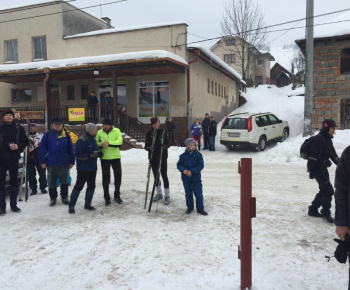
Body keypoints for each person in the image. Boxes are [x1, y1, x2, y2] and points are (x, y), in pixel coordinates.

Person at [307, 119, 339, 223]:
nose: (334, 130)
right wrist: (311, 171)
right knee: (329, 190)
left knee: (324, 189)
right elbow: (312, 156)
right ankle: (326, 212)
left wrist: (342, 165)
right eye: (332, 128)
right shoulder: (319, 139)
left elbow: (333, 155)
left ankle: (313, 209)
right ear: (326, 127)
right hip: (317, 169)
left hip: (323, 169)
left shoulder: (328, 139)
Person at [39, 118, 75, 207]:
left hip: (64, 162)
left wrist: (72, 161)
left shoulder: (66, 135)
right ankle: (53, 198)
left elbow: (71, 149)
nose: (57, 125)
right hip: (51, 162)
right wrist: (42, 161)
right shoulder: (47, 135)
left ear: (62, 125)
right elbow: (42, 149)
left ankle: (64, 197)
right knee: (51, 182)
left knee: (64, 181)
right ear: (52, 125)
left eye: (59, 124)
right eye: (56, 124)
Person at [0, 109, 29, 216]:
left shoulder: (18, 128)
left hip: (13, 159)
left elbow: (25, 141)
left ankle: (13, 205)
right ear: (3, 117)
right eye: (6, 115)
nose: (8, 117)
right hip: (1, 160)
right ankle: (2, 207)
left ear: (13, 117)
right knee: (1, 184)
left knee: (14, 183)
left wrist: (18, 146)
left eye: (10, 115)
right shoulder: (0, 127)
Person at [68, 123, 99, 214]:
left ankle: (87, 204)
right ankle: (71, 205)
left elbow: (95, 151)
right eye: (95, 129)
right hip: (83, 168)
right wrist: (90, 156)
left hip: (93, 168)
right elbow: (78, 155)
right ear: (91, 130)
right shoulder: (81, 140)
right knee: (79, 186)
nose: (96, 130)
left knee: (91, 186)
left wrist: (98, 153)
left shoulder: (94, 139)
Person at [96, 117, 123, 205]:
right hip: (104, 158)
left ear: (110, 125)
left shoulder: (117, 131)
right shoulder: (99, 132)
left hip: (115, 157)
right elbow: (95, 143)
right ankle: (106, 197)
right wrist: (101, 144)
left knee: (118, 176)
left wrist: (108, 143)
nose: (104, 126)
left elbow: (119, 141)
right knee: (106, 177)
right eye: (103, 125)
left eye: (106, 125)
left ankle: (117, 195)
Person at [177, 138, 207, 215]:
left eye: (194, 145)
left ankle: (200, 208)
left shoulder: (198, 155)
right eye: (191, 145)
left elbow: (201, 165)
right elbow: (179, 165)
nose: (193, 146)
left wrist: (192, 171)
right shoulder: (183, 156)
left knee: (198, 193)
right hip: (186, 177)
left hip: (196, 177)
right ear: (187, 146)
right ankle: (189, 207)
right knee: (188, 193)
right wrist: (184, 170)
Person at [144, 116, 170, 205]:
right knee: (156, 175)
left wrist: (165, 146)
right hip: (153, 157)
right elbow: (146, 146)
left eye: (158, 123)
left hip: (162, 156)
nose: (157, 125)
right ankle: (159, 193)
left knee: (163, 174)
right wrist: (149, 148)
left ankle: (167, 195)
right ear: (152, 124)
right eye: (155, 124)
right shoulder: (148, 133)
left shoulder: (163, 132)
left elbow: (168, 143)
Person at [27, 121, 48, 195]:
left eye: (33, 127)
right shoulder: (26, 136)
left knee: (42, 173)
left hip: (39, 158)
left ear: (35, 127)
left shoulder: (40, 135)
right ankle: (33, 188)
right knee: (31, 175)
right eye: (30, 127)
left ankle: (43, 187)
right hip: (29, 158)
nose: (32, 128)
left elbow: (45, 145)